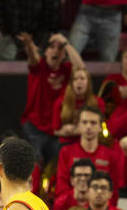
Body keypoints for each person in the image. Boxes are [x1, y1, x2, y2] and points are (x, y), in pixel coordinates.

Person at [19, 33, 84, 166]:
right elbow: (32, 57)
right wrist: (29, 44)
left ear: (64, 54)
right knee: (34, 165)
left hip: (56, 129)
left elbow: (81, 68)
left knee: (55, 166)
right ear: (45, 52)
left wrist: (66, 43)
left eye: (60, 48)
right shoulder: (39, 67)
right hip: (34, 127)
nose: (56, 51)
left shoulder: (66, 70)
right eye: (52, 47)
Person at [54, 108, 125, 197]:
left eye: (93, 123)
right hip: (73, 203)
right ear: (78, 125)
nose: (88, 127)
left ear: (100, 127)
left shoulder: (111, 155)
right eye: (84, 122)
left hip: (101, 204)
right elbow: (61, 187)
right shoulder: (66, 152)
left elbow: (113, 190)